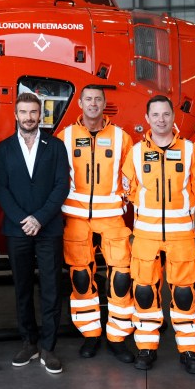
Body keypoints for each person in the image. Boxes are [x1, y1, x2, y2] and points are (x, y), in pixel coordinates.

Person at [122, 95, 195, 374]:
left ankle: (190, 351)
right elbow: (129, 188)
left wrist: (179, 209)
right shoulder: (134, 153)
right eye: (155, 115)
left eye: (166, 114)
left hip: (181, 236)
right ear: (147, 119)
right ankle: (146, 348)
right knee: (145, 293)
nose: (161, 119)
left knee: (184, 295)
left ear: (174, 117)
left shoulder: (190, 151)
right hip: (146, 237)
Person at [57, 85, 135, 363]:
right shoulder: (65, 136)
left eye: (98, 99)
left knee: (122, 276)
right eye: (88, 99)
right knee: (80, 277)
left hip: (112, 216)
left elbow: (132, 175)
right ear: (80, 103)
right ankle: (90, 334)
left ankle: (117, 337)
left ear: (104, 103)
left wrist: (123, 201)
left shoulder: (121, 137)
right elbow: (56, 175)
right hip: (76, 217)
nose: (93, 104)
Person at [0, 93, 70, 374]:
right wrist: (24, 220)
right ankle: (29, 342)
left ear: (41, 115)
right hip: (17, 229)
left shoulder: (56, 147)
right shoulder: (3, 149)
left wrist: (39, 218)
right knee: (22, 289)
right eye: (23, 112)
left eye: (33, 112)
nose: (28, 117)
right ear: (16, 115)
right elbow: (1, 189)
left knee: (51, 289)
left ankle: (48, 348)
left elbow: (61, 186)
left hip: (48, 228)